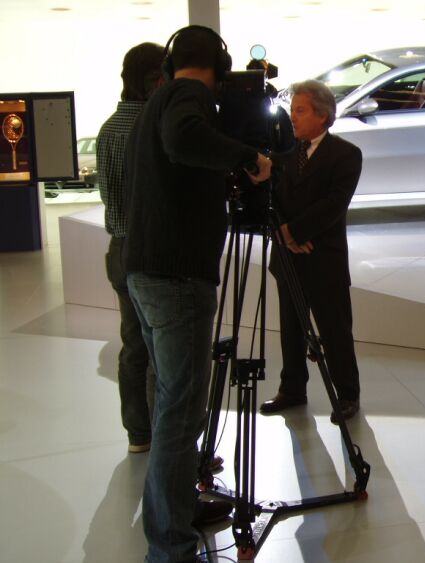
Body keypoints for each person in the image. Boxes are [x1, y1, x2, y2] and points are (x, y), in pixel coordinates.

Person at [122, 25, 272, 563]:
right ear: (218, 67)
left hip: (149, 273)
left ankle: (177, 510)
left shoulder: (154, 102)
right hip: (176, 279)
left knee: (172, 404)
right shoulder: (188, 96)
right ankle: (170, 547)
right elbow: (187, 138)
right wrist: (249, 159)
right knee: (181, 413)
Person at [259, 80, 362, 424]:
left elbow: (333, 205)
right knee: (290, 328)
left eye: (300, 110)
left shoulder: (346, 154)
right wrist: (284, 235)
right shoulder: (284, 156)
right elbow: (272, 201)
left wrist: (292, 231)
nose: (293, 117)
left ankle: (347, 395)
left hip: (324, 257)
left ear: (323, 115)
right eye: (292, 110)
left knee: (334, 330)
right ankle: (292, 389)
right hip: (288, 257)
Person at [97, 42, 164, 454]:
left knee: (133, 344)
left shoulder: (107, 129)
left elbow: (109, 195)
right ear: (156, 80)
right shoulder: (152, 127)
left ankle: (138, 433)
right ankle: (168, 438)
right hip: (151, 252)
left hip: (118, 248)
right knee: (163, 350)